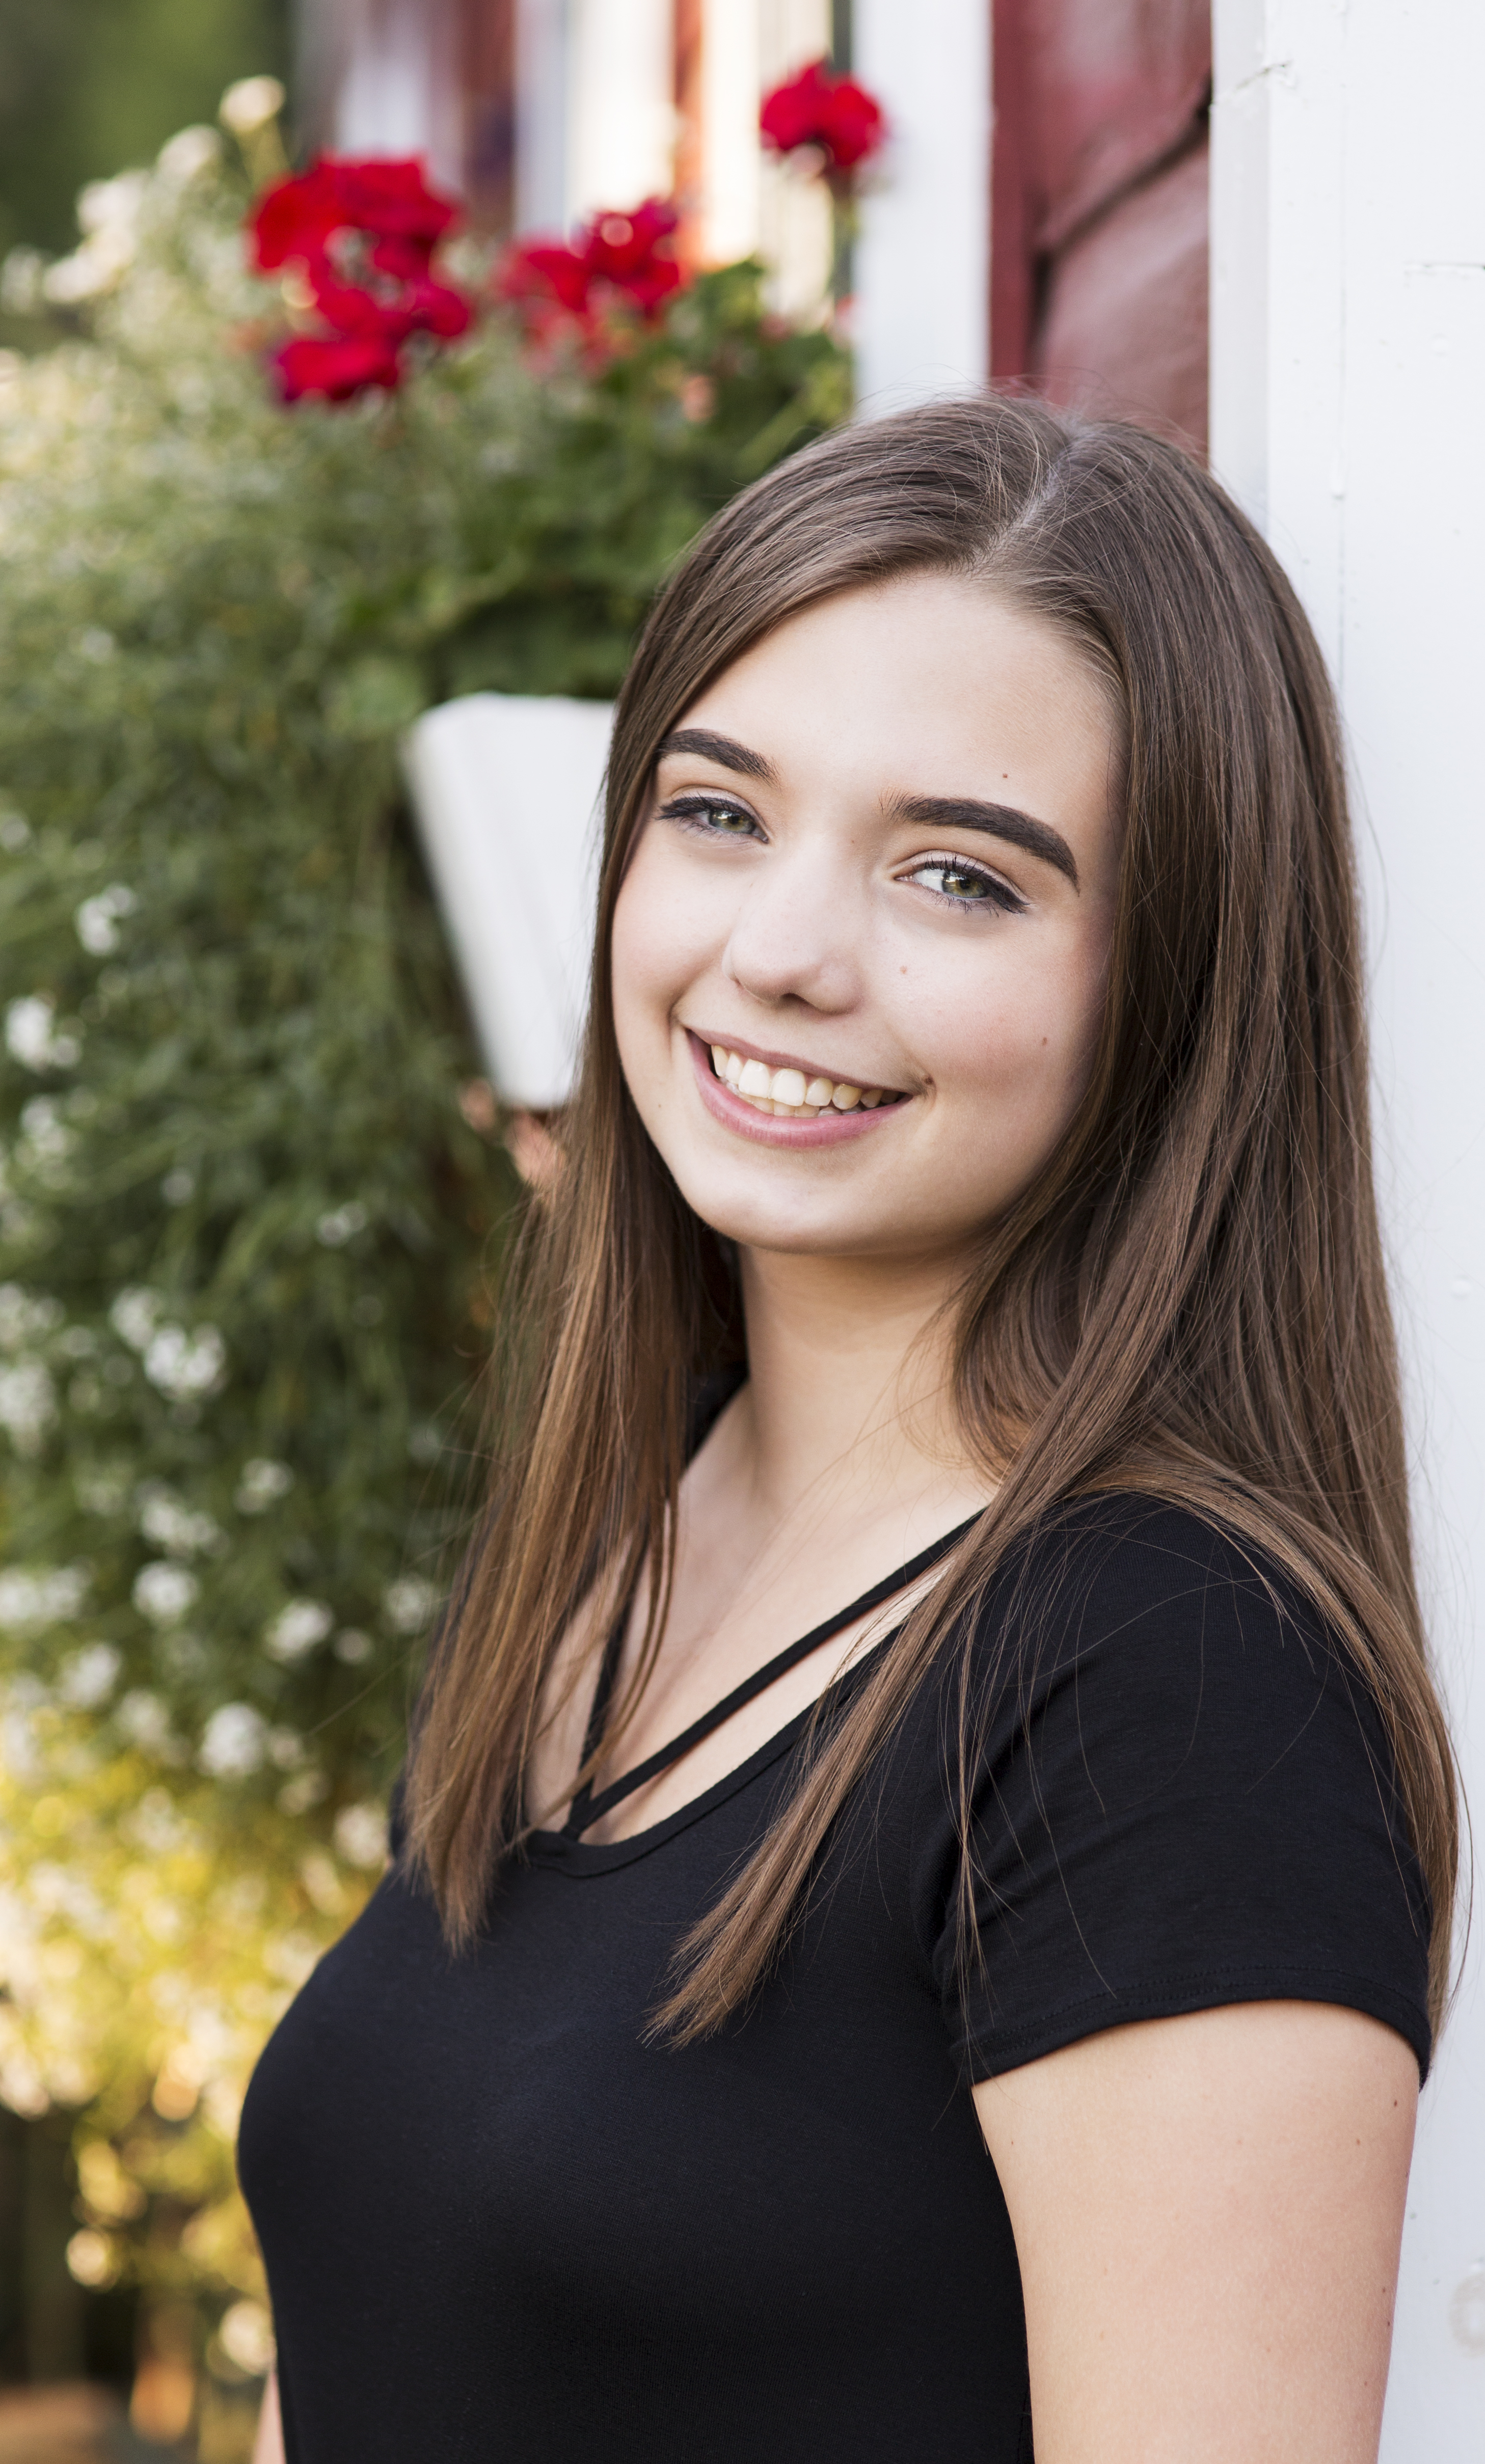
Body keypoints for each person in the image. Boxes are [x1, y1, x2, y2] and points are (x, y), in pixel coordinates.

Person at [238, 396, 1457, 2463]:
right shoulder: (626, 1530)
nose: (781, 954)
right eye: (718, 813)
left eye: (960, 875)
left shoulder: (1171, 1683)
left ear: (1171, 989)